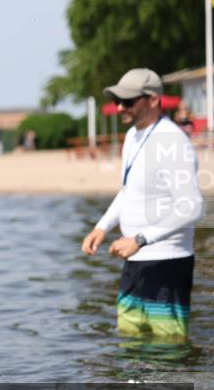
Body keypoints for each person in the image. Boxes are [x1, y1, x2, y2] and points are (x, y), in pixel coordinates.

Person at [81, 68, 204, 339]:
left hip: (166, 263)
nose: (120, 107)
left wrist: (139, 239)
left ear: (152, 100)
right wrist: (102, 227)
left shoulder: (172, 141)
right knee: (131, 343)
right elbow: (128, 191)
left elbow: (192, 207)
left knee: (166, 349)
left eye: (128, 101)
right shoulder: (133, 137)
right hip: (135, 261)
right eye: (118, 101)